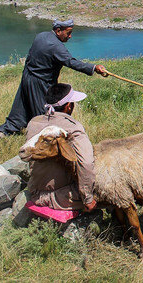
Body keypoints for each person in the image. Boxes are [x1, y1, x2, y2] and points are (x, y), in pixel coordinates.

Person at [0, 19, 107, 137]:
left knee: (22, 105)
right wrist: (94, 68)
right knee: (44, 113)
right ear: (58, 30)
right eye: (68, 32)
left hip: (27, 76)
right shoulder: (56, 46)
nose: (70, 36)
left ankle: (6, 130)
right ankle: (43, 136)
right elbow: (71, 62)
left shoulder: (41, 36)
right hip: (41, 82)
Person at [25, 83, 96, 212]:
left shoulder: (33, 122)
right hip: (61, 196)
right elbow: (86, 162)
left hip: (35, 193)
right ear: (69, 106)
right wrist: (88, 198)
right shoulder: (72, 127)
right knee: (107, 188)